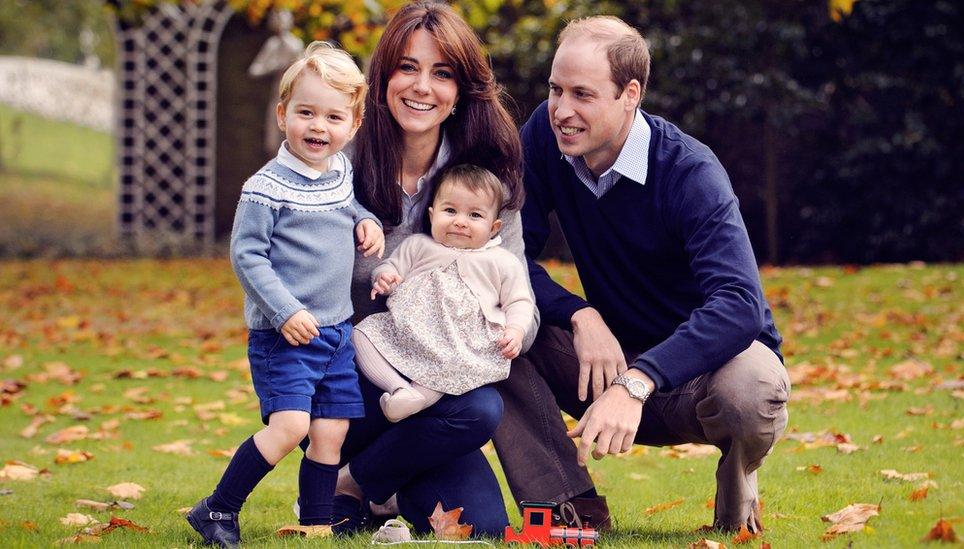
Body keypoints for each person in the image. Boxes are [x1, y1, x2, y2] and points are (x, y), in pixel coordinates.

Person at [493, 16, 790, 534]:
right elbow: (503, 254)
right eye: (555, 90)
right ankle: (570, 508)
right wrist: (579, 313)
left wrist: (639, 380)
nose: (562, 110)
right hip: (603, 362)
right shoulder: (545, 135)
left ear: (630, 94)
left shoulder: (690, 172)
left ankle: (735, 513)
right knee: (492, 324)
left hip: (701, 377)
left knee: (754, 388)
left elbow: (740, 303)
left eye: (582, 94)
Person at [312, 1, 539, 538]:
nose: (422, 86)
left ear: (461, 91)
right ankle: (362, 477)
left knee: (480, 521)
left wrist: (507, 332)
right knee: (464, 409)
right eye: (407, 67)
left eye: (442, 73)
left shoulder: (484, 184)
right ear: (383, 74)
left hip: (440, 392)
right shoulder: (337, 165)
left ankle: (355, 483)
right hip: (352, 381)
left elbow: (517, 293)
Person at [186, 42, 384, 548]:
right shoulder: (265, 187)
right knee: (291, 425)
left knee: (331, 434)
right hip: (285, 334)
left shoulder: (339, 172)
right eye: (306, 113)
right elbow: (247, 256)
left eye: (333, 116)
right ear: (283, 115)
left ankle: (315, 523)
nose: (319, 127)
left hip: (336, 330)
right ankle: (217, 509)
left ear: (354, 123)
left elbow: (348, 206)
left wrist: (365, 220)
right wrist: (285, 310)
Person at [355, 164, 535, 422]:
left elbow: (519, 301)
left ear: (494, 227)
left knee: (449, 365)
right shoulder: (418, 246)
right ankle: (399, 390)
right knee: (361, 335)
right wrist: (384, 278)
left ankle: (416, 397)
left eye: (475, 215)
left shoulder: (501, 262)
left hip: (460, 342)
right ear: (432, 215)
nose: (460, 221)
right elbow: (391, 267)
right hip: (408, 331)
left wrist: (515, 330)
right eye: (450, 211)